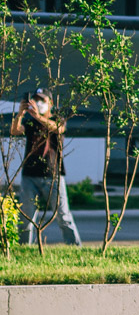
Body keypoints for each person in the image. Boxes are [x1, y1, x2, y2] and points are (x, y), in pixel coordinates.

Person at [9, 88, 81, 246]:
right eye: (36, 100)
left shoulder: (57, 118)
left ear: (51, 103)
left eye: (43, 100)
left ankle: (75, 248)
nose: (39, 103)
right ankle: (24, 248)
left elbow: (58, 128)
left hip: (53, 175)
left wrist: (38, 116)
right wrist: (20, 114)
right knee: (26, 217)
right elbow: (14, 131)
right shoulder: (30, 121)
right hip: (30, 175)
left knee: (63, 216)